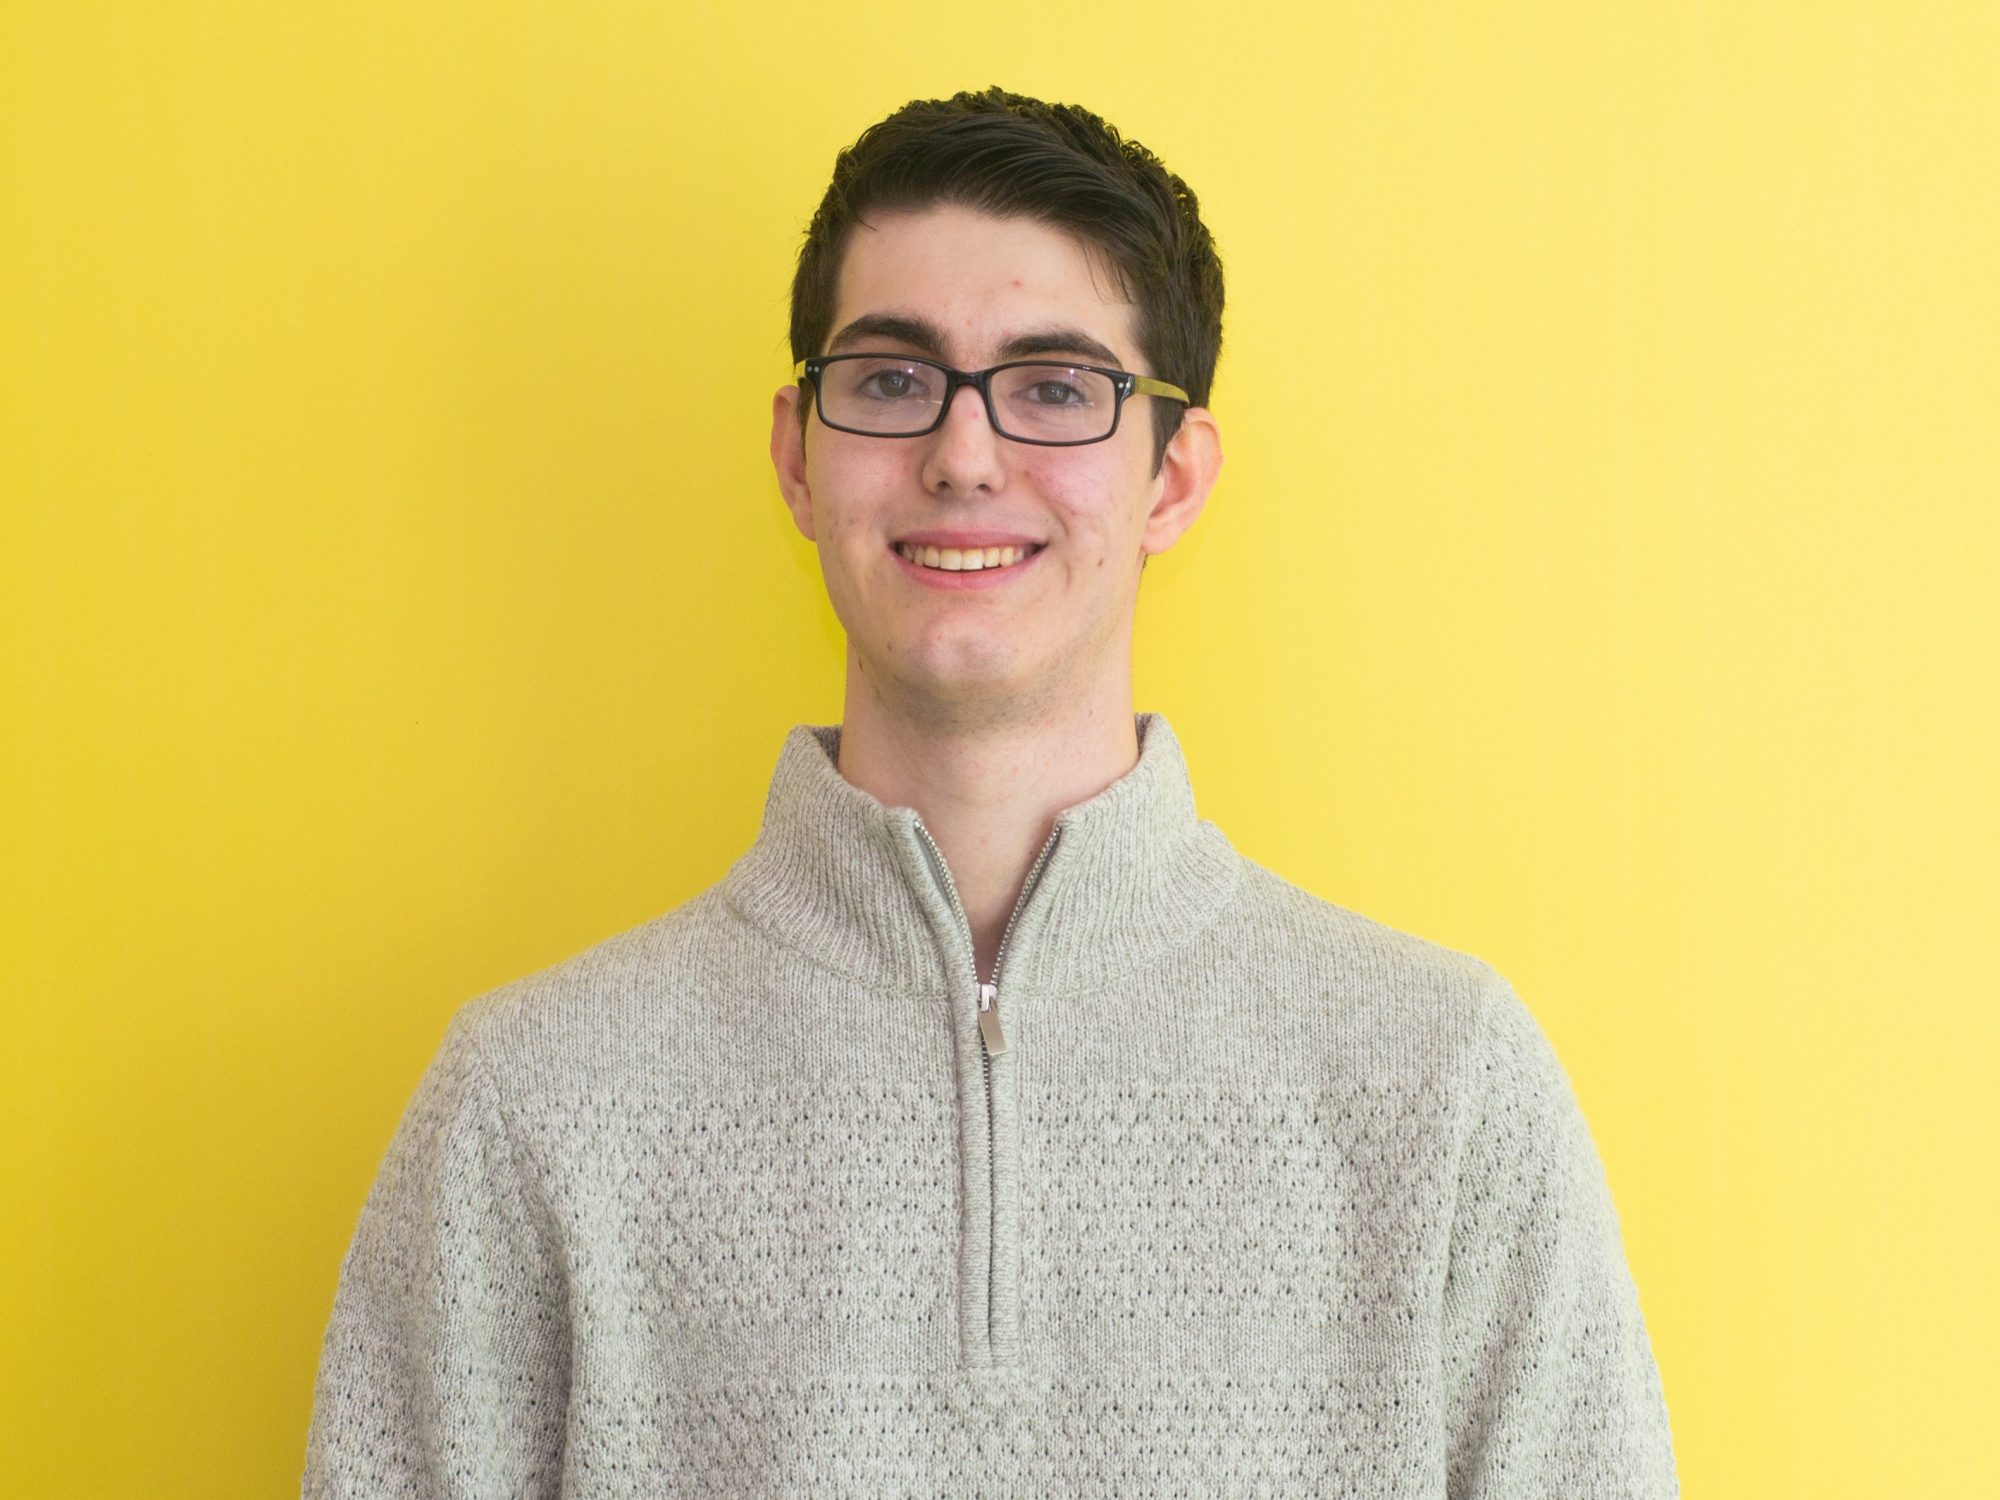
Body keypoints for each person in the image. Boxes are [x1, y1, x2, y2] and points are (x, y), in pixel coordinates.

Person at [302, 86, 1678, 1498]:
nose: (962, 456)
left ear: (1173, 479)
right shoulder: (532, 1105)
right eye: (892, 380)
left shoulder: (1443, 1087)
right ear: (796, 455)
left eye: (1057, 389)